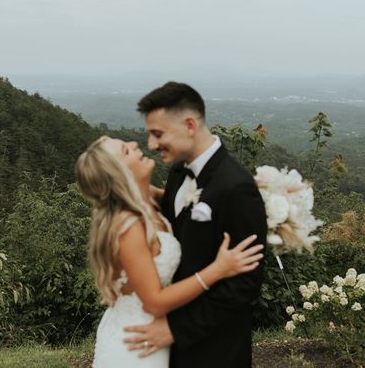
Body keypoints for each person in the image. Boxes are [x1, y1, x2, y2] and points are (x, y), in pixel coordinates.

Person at [75, 135, 264, 368]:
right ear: (118, 176)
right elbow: (154, 302)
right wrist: (217, 270)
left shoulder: (149, 201)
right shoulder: (130, 227)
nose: (135, 144)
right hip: (137, 342)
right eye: (125, 151)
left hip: (158, 339)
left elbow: (195, 202)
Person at [124, 82, 268, 368]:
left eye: (157, 134)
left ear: (189, 125)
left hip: (214, 351)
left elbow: (244, 286)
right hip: (167, 343)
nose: (151, 145)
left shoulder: (237, 187)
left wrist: (177, 329)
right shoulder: (179, 171)